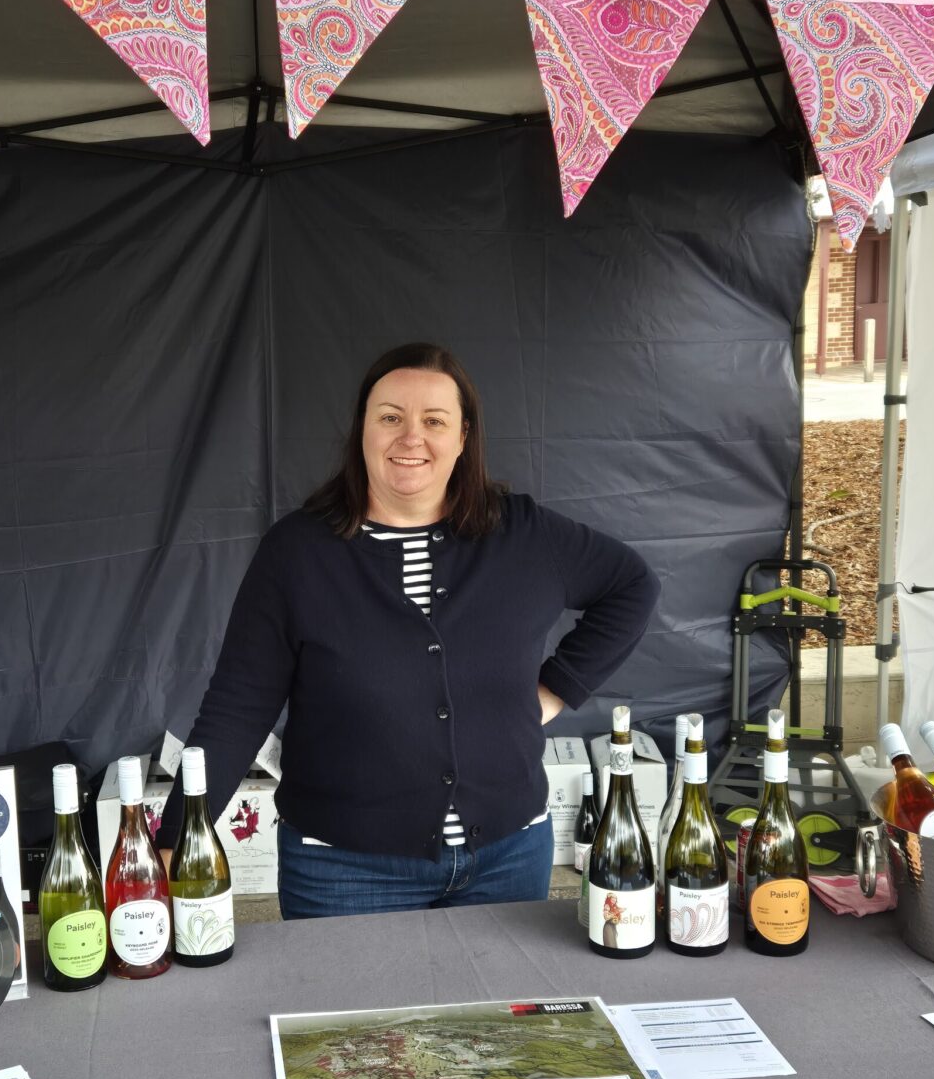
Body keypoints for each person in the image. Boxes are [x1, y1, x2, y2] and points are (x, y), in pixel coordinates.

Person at [160, 343, 659, 919]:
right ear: (363, 430)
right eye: (391, 417)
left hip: (510, 857)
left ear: (464, 436)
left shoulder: (523, 536)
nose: (411, 437)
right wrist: (176, 838)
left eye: (434, 421)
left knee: (497, 1013)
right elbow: (237, 707)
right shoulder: (297, 555)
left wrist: (554, 691)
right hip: (342, 870)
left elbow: (633, 586)